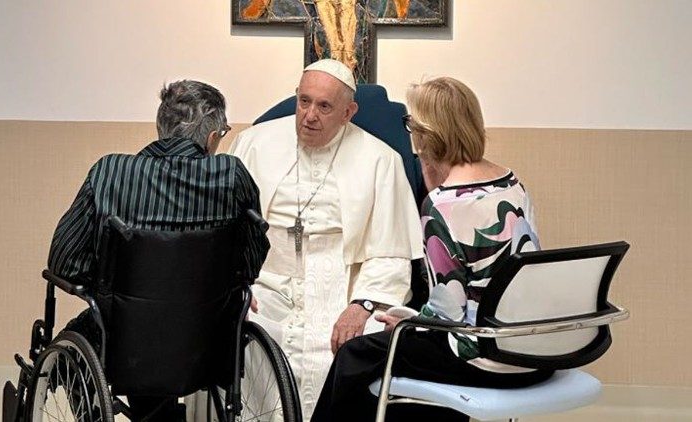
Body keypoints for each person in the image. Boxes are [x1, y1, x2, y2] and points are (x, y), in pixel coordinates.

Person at [311, 77, 554, 422]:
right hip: (531, 351)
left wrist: (407, 321)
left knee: (356, 355)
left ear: (427, 134)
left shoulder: (442, 205)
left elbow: (448, 316)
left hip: (484, 357)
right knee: (406, 348)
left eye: (412, 123)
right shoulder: (511, 183)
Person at [47, 80, 269, 421]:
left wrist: (112, 286)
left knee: (72, 344)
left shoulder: (110, 172)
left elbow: (65, 261)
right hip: (206, 337)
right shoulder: (230, 174)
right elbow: (251, 253)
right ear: (212, 138)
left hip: (124, 337)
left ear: (160, 127)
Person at [229, 59, 424, 418]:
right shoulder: (253, 144)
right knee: (241, 330)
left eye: (324, 106)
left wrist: (362, 305)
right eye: (304, 101)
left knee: (348, 341)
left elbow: (391, 252)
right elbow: (226, 231)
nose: (309, 116)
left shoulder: (382, 160)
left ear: (348, 112)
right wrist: (237, 283)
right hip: (264, 279)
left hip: (343, 284)